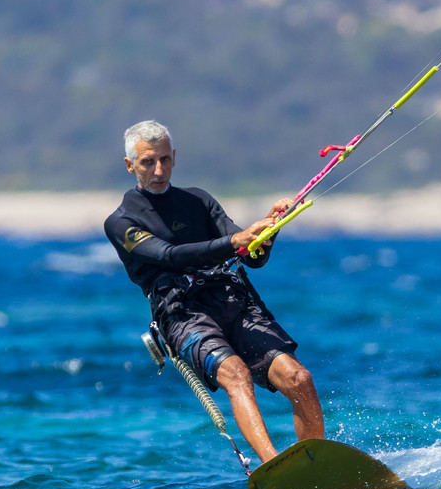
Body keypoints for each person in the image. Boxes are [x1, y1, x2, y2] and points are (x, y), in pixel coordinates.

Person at [105, 119, 324, 462]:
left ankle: (318, 461)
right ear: (130, 164)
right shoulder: (121, 221)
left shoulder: (199, 201)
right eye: (148, 162)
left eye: (164, 159)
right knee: (236, 375)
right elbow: (169, 256)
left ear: (174, 157)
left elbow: (252, 258)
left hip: (232, 300)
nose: (159, 169)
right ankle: (274, 464)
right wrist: (234, 240)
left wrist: (271, 226)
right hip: (182, 315)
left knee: (299, 378)